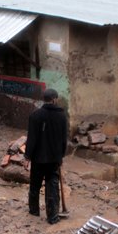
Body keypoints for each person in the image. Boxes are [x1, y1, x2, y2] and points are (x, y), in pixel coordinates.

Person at [24, 88, 69, 224]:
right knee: (52, 187)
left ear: (44, 99)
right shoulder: (62, 117)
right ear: (54, 99)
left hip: (38, 158)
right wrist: (61, 157)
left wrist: (27, 157)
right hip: (53, 159)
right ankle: (53, 217)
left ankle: (34, 210)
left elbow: (31, 139)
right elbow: (63, 140)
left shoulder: (35, 115)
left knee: (34, 185)